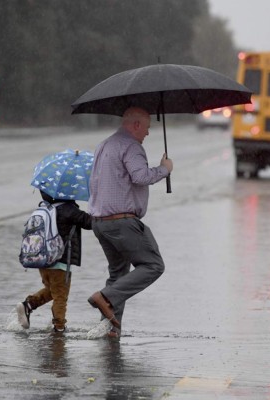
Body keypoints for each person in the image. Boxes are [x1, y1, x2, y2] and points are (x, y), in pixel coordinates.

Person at [87, 107, 173, 338]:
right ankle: (105, 297)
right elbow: (141, 176)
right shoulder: (132, 146)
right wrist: (164, 169)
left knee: (118, 274)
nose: (148, 133)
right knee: (153, 265)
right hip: (121, 223)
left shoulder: (104, 145)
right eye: (146, 128)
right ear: (135, 125)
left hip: (100, 223)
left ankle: (110, 328)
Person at [16, 190, 93, 333]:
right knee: (61, 296)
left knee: (53, 291)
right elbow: (89, 222)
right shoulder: (68, 209)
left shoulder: (45, 208)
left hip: (43, 260)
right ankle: (59, 327)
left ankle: (29, 305)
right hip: (60, 262)